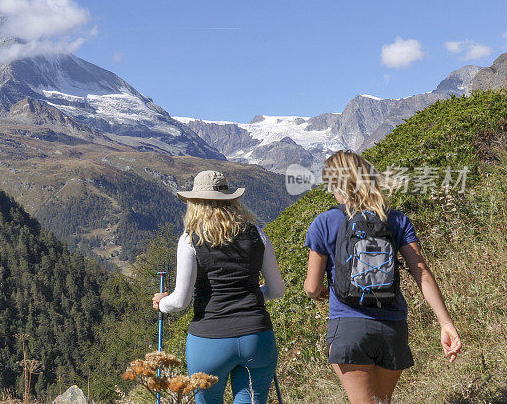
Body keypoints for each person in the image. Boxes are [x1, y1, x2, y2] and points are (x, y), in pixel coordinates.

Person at [303, 150, 462, 404]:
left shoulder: (325, 222)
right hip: (392, 326)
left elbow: (311, 287)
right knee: (382, 401)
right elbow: (420, 270)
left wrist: (321, 290)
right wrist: (446, 322)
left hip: (348, 327)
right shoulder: (396, 219)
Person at [152, 170, 286, 404]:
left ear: (195, 203)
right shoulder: (257, 235)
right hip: (256, 336)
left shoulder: (190, 239)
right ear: (232, 200)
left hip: (209, 339)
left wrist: (162, 302)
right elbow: (277, 291)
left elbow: (181, 301)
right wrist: (253, 294)